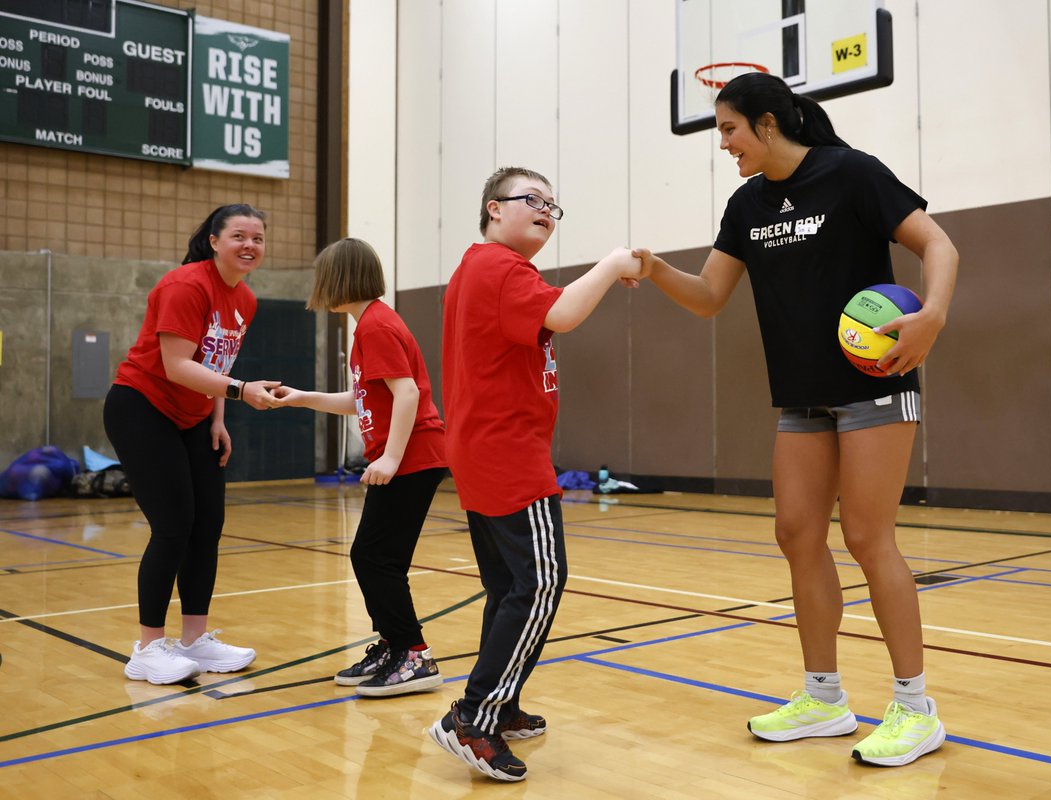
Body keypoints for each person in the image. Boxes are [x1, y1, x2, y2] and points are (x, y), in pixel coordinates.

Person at [639, 72, 958, 767]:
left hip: (874, 387)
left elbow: (939, 246)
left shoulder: (852, 175)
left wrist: (930, 315)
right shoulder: (747, 205)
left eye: (728, 129)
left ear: (768, 124)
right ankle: (824, 698)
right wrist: (657, 267)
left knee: (870, 537)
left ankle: (915, 708)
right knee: (796, 534)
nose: (723, 144)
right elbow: (709, 296)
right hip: (802, 397)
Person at [427, 167, 645, 782]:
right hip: (507, 453)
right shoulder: (499, 269)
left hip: (484, 449)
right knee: (541, 583)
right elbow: (568, 314)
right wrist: (612, 263)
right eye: (533, 200)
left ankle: (503, 699)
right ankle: (475, 716)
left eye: (554, 204)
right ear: (494, 209)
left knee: (507, 587)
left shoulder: (485, 270)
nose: (547, 210)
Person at [104, 204, 281, 685]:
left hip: (196, 417)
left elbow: (215, 364)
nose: (250, 245)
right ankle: (146, 648)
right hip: (142, 407)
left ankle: (195, 641)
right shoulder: (185, 284)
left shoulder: (245, 299)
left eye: (258, 238)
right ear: (214, 241)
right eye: (239, 236)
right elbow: (177, 365)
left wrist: (218, 417)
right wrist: (242, 392)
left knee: (208, 524)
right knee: (173, 524)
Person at [270, 237, 447, 697]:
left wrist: (390, 456)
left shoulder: (376, 327)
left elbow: (407, 394)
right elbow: (366, 398)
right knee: (378, 558)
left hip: (413, 457)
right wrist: (303, 398)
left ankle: (413, 654)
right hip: (409, 457)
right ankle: (394, 645)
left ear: (340, 279)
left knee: (372, 558)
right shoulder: (368, 325)